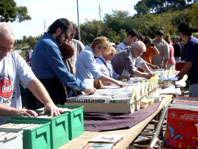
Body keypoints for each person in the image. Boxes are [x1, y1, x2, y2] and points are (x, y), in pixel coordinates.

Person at [0, 23, 64, 125]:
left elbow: (32, 81)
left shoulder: (13, 57)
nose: (6, 54)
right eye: (2, 48)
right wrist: (16, 111)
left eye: (9, 49)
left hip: (10, 124)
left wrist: (48, 103)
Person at [31, 18, 96, 107]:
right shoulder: (50, 45)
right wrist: (84, 87)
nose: (66, 40)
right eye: (65, 37)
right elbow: (62, 72)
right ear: (58, 31)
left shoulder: (44, 42)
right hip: (50, 90)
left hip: (46, 87)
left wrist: (73, 86)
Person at [176, 22, 198, 97]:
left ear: (182, 34)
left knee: (194, 104)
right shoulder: (194, 41)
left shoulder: (191, 44)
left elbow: (189, 64)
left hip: (196, 80)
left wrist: (178, 76)